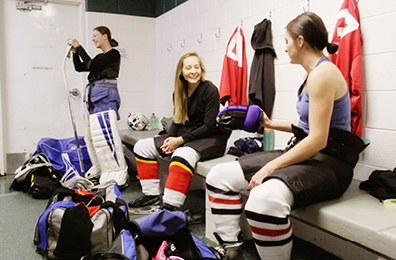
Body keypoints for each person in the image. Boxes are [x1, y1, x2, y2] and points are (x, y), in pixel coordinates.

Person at [206, 12, 367, 260]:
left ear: (300, 41)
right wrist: (270, 124)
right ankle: (232, 247)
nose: (286, 47)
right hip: (308, 155)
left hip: (332, 164)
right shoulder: (311, 74)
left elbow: (318, 139)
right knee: (219, 176)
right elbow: (307, 124)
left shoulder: (323, 75)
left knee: (263, 200)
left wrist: (269, 166)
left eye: (287, 41)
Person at [128, 52, 231, 213]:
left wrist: (180, 141)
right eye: (188, 68)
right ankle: (152, 195)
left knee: (182, 155)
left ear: (201, 69)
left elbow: (209, 126)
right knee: (142, 146)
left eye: (196, 67)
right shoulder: (179, 92)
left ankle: (170, 207)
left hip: (211, 138)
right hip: (187, 135)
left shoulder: (210, 89)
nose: (193, 71)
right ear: (181, 72)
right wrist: (169, 140)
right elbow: (177, 121)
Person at [67, 26, 128, 187]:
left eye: (95, 35)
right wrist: (74, 53)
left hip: (105, 97)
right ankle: (101, 168)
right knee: (92, 137)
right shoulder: (101, 58)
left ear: (105, 36)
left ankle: (116, 171)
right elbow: (81, 67)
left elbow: (92, 65)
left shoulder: (113, 54)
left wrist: (79, 47)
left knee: (106, 136)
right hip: (94, 98)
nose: (93, 39)